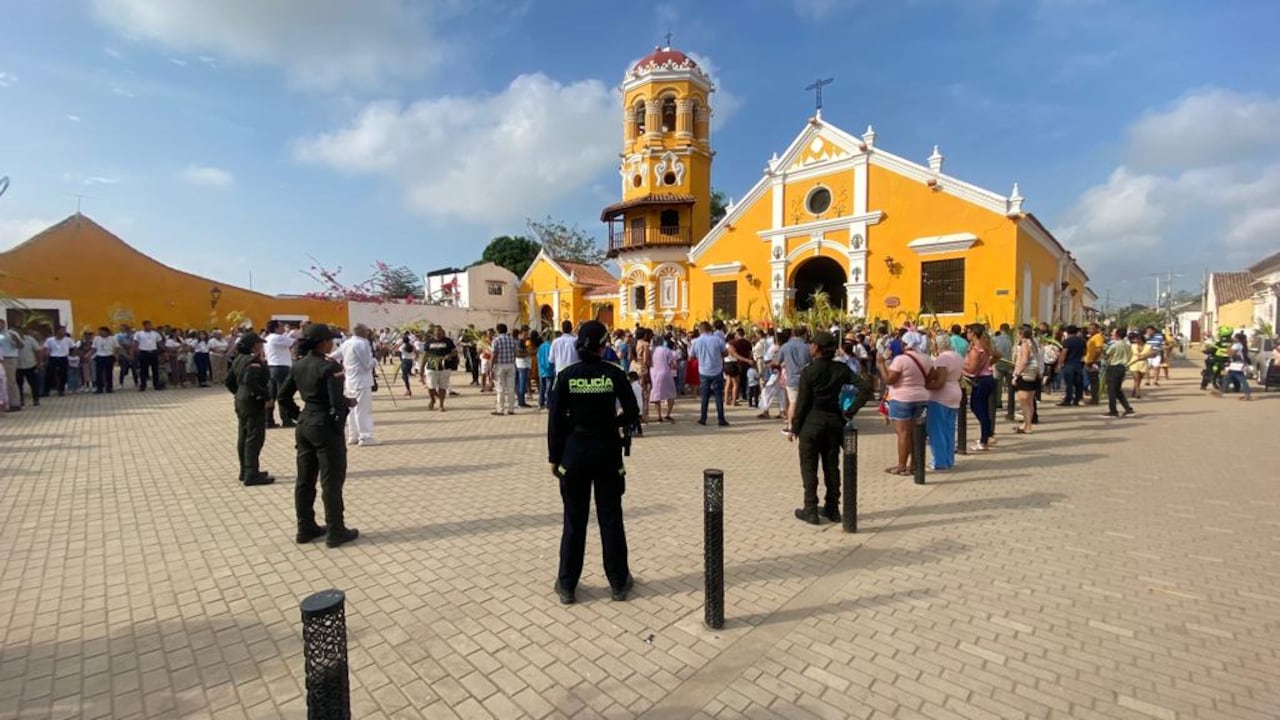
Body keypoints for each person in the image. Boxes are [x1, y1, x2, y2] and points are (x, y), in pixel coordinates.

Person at [547, 320, 639, 604]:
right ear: (603, 345)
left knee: (574, 520)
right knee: (610, 518)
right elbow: (633, 412)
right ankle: (618, 582)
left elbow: (554, 422)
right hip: (607, 453)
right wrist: (613, 423)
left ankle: (567, 585)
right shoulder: (613, 373)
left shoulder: (566, 376)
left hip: (573, 455)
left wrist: (554, 457)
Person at [277, 323, 359, 548]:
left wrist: (301, 416)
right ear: (323, 342)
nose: (333, 343)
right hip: (325, 428)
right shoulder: (329, 367)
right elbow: (335, 404)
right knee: (331, 481)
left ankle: (305, 528)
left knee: (305, 480)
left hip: (305, 425)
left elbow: (283, 398)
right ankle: (336, 530)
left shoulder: (298, 365)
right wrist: (337, 425)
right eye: (330, 340)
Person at [791, 331, 866, 524]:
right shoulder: (841, 369)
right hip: (834, 422)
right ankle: (833, 507)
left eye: (812, 344)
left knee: (809, 467)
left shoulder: (809, 371)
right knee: (832, 466)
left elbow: (802, 403)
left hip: (811, 423)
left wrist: (794, 427)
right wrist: (850, 411)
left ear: (816, 348)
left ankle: (810, 508)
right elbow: (865, 388)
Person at [877, 336, 934, 474]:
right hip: (921, 398)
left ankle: (902, 465)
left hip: (901, 399)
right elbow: (932, 375)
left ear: (903, 344)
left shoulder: (900, 360)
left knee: (903, 433)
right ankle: (915, 464)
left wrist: (881, 365)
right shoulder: (925, 358)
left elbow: (890, 380)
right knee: (917, 432)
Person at [226, 332, 275, 486]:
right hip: (252, 402)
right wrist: (266, 397)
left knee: (244, 436)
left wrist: (239, 393)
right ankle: (251, 474)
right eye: (260, 344)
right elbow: (251, 382)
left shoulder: (238, 359)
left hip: (241, 400)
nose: (262, 346)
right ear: (254, 345)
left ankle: (246, 470)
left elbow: (229, 381)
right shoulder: (252, 360)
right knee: (255, 438)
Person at [331, 324, 378, 446]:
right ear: (362, 332)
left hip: (349, 380)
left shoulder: (347, 343)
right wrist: (375, 360)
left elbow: (334, 355)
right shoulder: (362, 343)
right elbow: (367, 364)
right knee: (362, 410)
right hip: (361, 381)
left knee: (352, 410)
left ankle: (353, 435)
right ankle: (365, 436)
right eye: (367, 331)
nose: (368, 333)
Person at [927, 335, 964, 472]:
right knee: (948, 428)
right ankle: (949, 459)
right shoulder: (957, 356)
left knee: (937, 430)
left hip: (941, 396)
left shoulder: (942, 359)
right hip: (955, 391)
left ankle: (939, 461)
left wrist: (925, 386)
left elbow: (940, 381)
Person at [963, 325, 998, 452]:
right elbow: (998, 354)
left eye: (968, 331)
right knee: (981, 408)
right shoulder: (985, 346)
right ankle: (987, 434)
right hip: (987, 378)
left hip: (981, 381)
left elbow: (972, 369)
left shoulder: (975, 350)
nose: (967, 334)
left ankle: (984, 440)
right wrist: (989, 364)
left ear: (973, 333)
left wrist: (960, 366)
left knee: (979, 409)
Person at [690, 322, 728, 427]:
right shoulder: (717, 340)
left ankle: (703, 418)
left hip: (703, 371)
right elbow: (725, 353)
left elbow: (691, 357)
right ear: (710, 329)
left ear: (700, 330)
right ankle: (721, 419)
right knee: (718, 396)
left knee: (704, 396)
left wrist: (700, 356)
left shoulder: (696, 342)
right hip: (717, 370)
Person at [264, 321, 298, 428]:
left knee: (271, 395)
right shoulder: (277, 337)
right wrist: (295, 333)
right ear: (276, 328)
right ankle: (286, 419)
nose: (283, 327)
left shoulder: (268, 337)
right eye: (281, 326)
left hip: (271, 367)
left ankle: (268, 420)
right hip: (281, 368)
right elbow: (295, 342)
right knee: (283, 394)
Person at [1012, 328, 1041, 435]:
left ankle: (1027, 425)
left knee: (1024, 402)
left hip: (1025, 374)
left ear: (1021, 334)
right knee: (1030, 402)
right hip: (1034, 373)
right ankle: (1026, 424)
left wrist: (1016, 374)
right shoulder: (1034, 343)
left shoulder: (1024, 344)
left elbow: (1024, 360)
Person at [1102, 328, 1135, 418]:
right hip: (1122, 367)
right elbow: (1130, 356)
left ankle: (1113, 410)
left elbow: (1106, 355)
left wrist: (1103, 349)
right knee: (1117, 390)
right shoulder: (1128, 345)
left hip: (1114, 367)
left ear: (1117, 335)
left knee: (1112, 390)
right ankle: (1128, 408)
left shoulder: (1115, 345)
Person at [1211, 332, 1253, 401]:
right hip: (1236, 364)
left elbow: (1231, 354)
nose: (1233, 338)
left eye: (1235, 337)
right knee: (1227, 377)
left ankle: (1247, 394)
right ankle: (1222, 392)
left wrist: (1228, 348)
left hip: (1236, 365)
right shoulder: (1240, 345)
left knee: (1241, 379)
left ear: (1238, 339)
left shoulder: (1236, 345)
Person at [490, 323, 519, 416]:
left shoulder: (496, 340)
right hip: (510, 365)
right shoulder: (512, 340)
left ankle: (500, 409)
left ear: (498, 330)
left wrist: (491, 368)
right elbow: (516, 353)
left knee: (500, 389)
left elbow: (494, 355)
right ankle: (511, 409)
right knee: (511, 388)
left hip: (500, 365)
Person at [648, 336, 678, 422]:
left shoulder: (651, 351)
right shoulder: (666, 350)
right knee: (671, 393)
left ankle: (659, 415)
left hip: (654, 373)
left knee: (657, 395)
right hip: (666, 373)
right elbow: (673, 364)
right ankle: (668, 414)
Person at [43, 325, 75, 397]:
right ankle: (46, 390)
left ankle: (61, 390)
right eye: (62, 330)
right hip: (53, 357)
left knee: (63, 375)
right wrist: (46, 356)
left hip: (63, 358)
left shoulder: (68, 340)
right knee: (49, 374)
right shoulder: (50, 340)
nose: (63, 332)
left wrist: (72, 355)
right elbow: (46, 349)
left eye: (64, 331)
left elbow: (73, 348)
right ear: (57, 331)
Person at [1057, 325, 1086, 406]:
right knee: (1078, 383)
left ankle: (1068, 400)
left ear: (1067, 332)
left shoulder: (1067, 341)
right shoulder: (1082, 341)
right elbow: (1085, 352)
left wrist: (1059, 363)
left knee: (1069, 383)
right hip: (1078, 363)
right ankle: (1077, 399)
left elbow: (1064, 353)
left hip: (1069, 363)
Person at [132, 320, 163, 391]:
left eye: (150, 325)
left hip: (153, 352)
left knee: (155, 370)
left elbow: (160, 343)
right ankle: (143, 385)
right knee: (143, 370)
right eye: (147, 325)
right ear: (144, 326)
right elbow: (135, 343)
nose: (149, 326)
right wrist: (135, 351)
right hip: (143, 353)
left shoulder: (155, 334)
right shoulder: (138, 334)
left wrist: (164, 351)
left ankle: (156, 385)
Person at [0, 320, 20, 411]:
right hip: (1, 359)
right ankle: (5, 404)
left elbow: (20, 345)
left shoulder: (11, 334)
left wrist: (15, 339)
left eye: (1, 323)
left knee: (10, 381)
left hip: (9, 358)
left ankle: (15, 403)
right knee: (2, 383)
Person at [1084, 323, 1105, 405]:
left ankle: (1095, 399)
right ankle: (1093, 398)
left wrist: (1093, 360)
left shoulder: (1098, 337)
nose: (1090, 330)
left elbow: (1098, 350)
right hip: (1089, 361)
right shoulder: (1092, 337)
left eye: (1092, 328)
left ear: (1097, 329)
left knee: (1094, 381)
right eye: (1089, 328)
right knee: (1091, 381)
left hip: (1093, 362)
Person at [536, 331, 556, 410]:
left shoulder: (541, 346)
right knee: (549, 389)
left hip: (542, 370)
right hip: (550, 370)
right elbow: (553, 358)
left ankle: (541, 403)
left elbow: (538, 357)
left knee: (542, 388)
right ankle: (548, 403)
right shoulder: (551, 346)